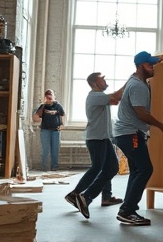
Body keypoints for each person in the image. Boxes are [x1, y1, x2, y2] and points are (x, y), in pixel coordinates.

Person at [114, 51, 163, 226]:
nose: (152, 67)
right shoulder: (138, 86)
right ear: (140, 66)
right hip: (130, 134)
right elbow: (141, 113)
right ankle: (127, 210)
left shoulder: (138, 82)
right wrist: (161, 125)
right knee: (145, 169)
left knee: (137, 171)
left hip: (128, 133)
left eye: (153, 64)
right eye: (149, 65)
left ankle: (127, 210)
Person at [67, 73, 125, 219]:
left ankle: (104, 197)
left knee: (111, 168)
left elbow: (115, 100)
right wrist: (132, 80)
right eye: (102, 79)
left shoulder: (100, 97)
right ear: (94, 82)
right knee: (98, 168)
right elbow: (117, 96)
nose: (105, 81)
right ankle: (81, 196)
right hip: (96, 139)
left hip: (104, 138)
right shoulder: (94, 96)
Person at [33, 89, 65, 171]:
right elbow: (35, 117)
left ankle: (54, 166)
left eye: (50, 95)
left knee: (55, 149)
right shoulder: (43, 106)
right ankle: (44, 166)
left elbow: (63, 115)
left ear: (53, 96)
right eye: (47, 96)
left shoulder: (58, 106)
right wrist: (43, 107)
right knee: (45, 149)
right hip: (45, 130)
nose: (49, 97)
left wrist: (62, 125)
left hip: (55, 130)